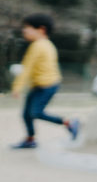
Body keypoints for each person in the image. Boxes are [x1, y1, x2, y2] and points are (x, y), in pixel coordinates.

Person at [9, 13, 79, 149]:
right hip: (39, 86)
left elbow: (27, 68)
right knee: (26, 114)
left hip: (46, 86)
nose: (24, 31)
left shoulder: (38, 46)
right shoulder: (47, 45)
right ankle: (30, 139)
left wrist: (17, 86)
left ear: (41, 30)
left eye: (28, 28)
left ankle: (69, 123)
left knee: (36, 112)